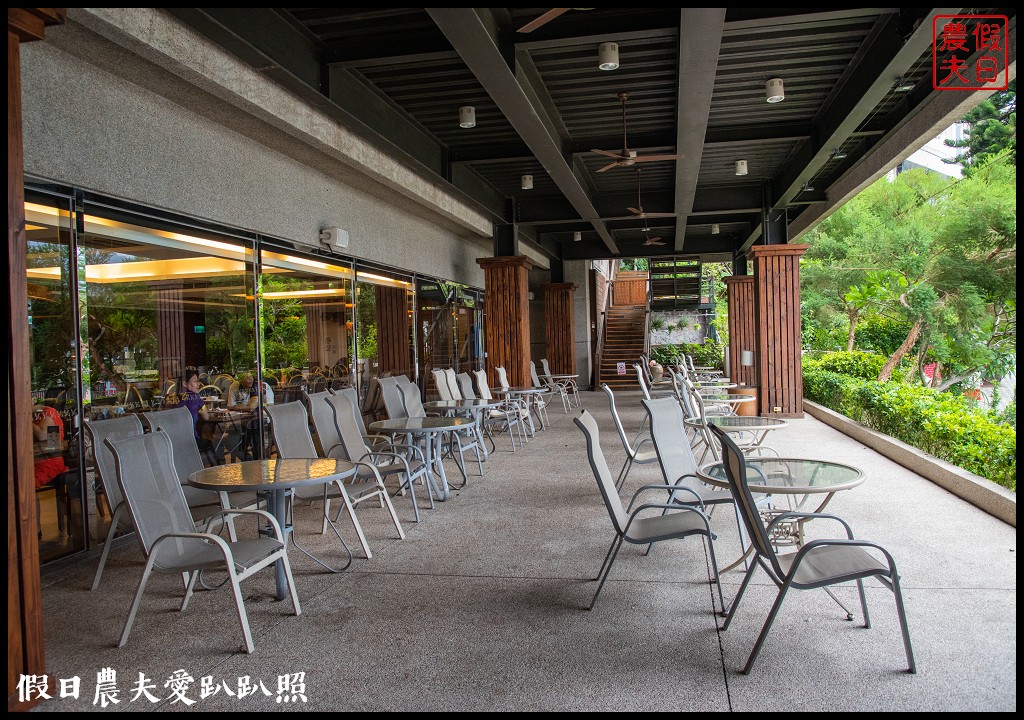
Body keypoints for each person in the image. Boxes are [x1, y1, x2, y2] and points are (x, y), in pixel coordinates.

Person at [167, 371, 218, 464]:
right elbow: (206, 417)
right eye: (195, 381)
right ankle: (213, 468)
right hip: (191, 439)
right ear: (185, 384)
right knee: (209, 440)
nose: (198, 384)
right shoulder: (195, 397)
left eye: (198, 381)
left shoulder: (173, 398)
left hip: (173, 440)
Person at [32, 404, 67, 488]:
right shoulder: (37, 415)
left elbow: (42, 436)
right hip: (38, 461)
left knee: (22, 484)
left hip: (48, 465)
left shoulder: (49, 412)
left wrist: (25, 417)